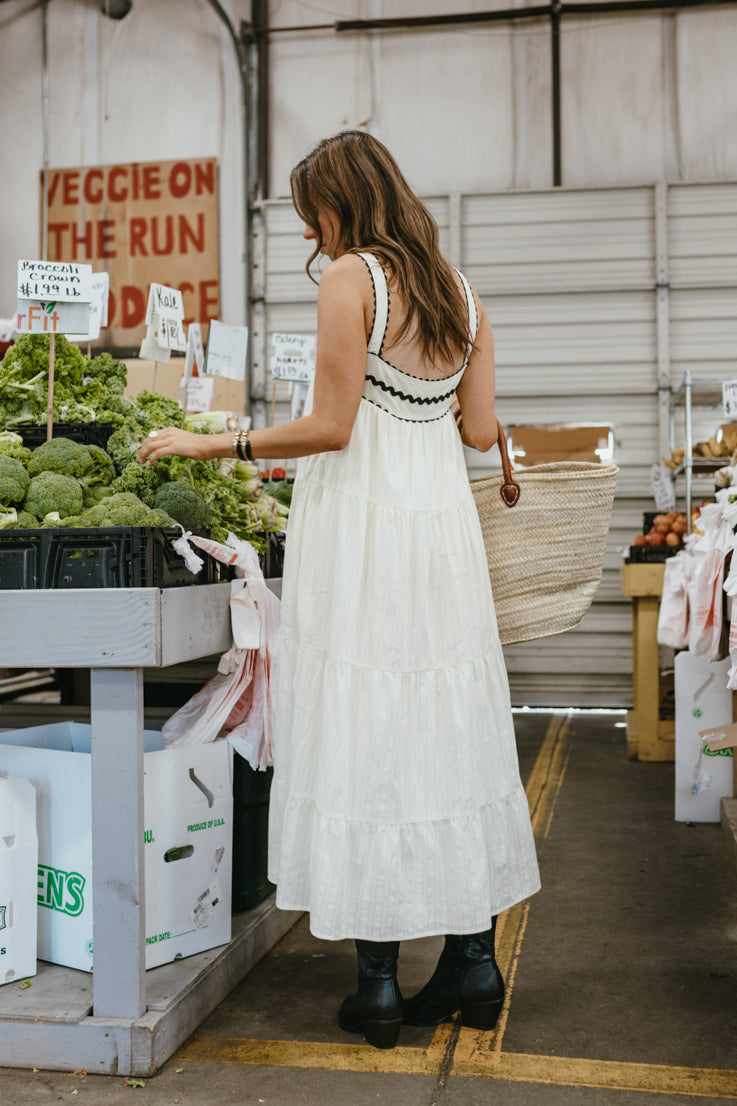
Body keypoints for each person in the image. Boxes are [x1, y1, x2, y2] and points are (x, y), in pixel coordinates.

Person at [138, 130, 540, 1051]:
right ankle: (472, 962)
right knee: (448, 729)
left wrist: (217, 442)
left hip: (363, 530)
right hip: (438, 532)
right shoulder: (461, 291)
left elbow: (329, 427)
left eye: (309, 208)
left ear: (337, 204)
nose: (308, 227)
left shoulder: (351, 278)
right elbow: (479, 431)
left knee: (366, 732)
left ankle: (381, 989)